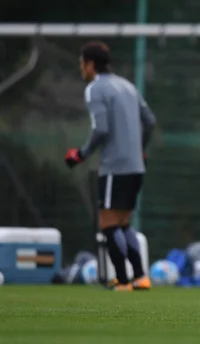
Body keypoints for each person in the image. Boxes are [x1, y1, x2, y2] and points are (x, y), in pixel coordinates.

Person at [64, 41, 156, 291]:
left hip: (115, 167)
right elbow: (150, 121)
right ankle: (140, 277)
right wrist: (140, 150)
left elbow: (101, 129)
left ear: (90, 64)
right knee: (124, 222)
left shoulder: (95, 89)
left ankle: (123, 282)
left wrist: (80, 155)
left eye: (82, 63)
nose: (81, 68)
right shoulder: (127, 86)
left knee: (107, 223)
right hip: (136, 166)